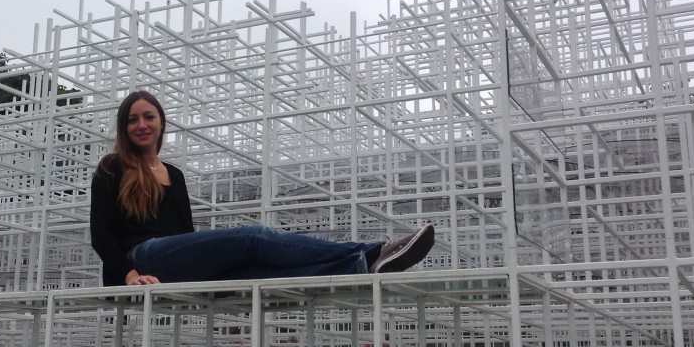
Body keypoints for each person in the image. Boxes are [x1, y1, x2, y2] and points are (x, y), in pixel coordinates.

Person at [90, 91, 435, 287]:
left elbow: (185, 235)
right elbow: (100, 234)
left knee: (263, 273)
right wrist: (130, 274)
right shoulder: (113, 166)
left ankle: (360, 267)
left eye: (148, 116)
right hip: (141, 257)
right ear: (124, 127)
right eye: (133, 119)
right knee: (252, 238)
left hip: (171, 262)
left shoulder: (174, 175)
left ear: (161, 122)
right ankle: (373, 251)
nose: (141, 125)